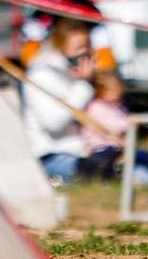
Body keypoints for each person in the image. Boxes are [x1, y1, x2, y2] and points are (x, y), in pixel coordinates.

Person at [21, 14, 98, 184]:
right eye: (79, 47)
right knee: (98, 172)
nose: (85, 53)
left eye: (87, 46)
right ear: (60, 46)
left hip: (82, 151)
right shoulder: (40, 75)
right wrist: (83, 86)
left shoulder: (75, 75)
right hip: (51, 156)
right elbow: (53, 123)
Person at [79, 71, 148, 185]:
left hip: (117, 147)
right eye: (114, 91)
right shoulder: (96, 107)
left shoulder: (117, 107)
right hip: (102, 148)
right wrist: (129, 124)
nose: (118, 95)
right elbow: (110, 127)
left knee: (144, 155)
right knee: (120, 159)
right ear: (102, 91)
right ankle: (126, 176)